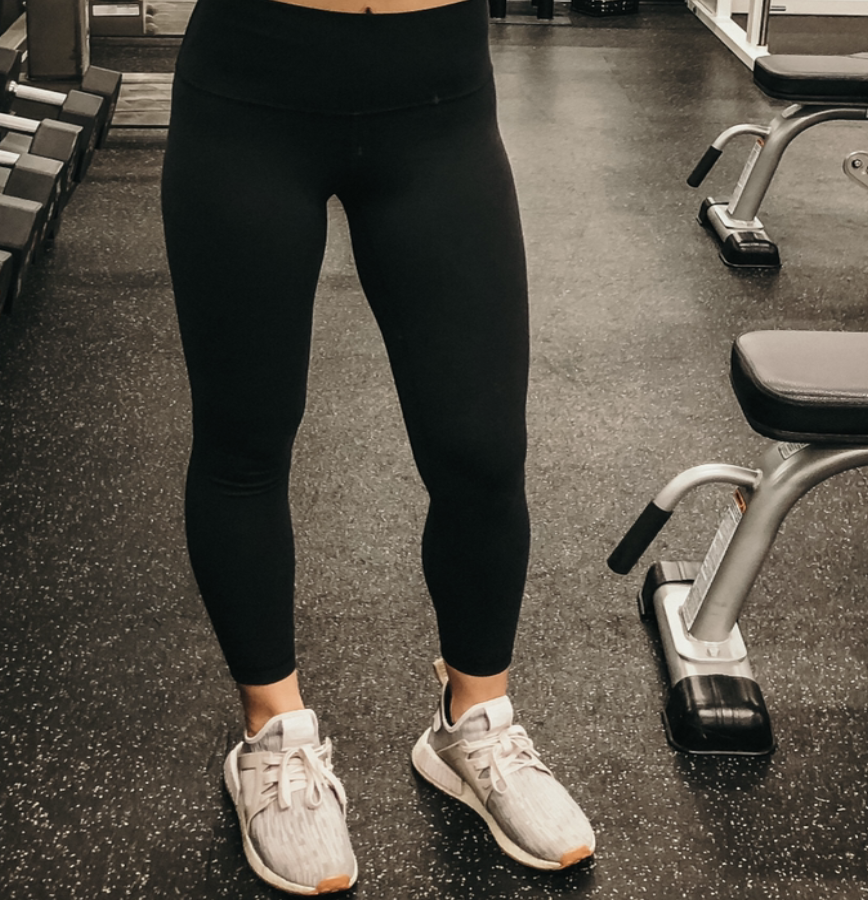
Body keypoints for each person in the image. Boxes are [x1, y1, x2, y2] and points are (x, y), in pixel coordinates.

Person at [159, 0, 596, 891]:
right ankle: (273, 737)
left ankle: (474, 723)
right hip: (250, 88)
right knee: (246, 439)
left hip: (438, 98)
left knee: (480, 447)